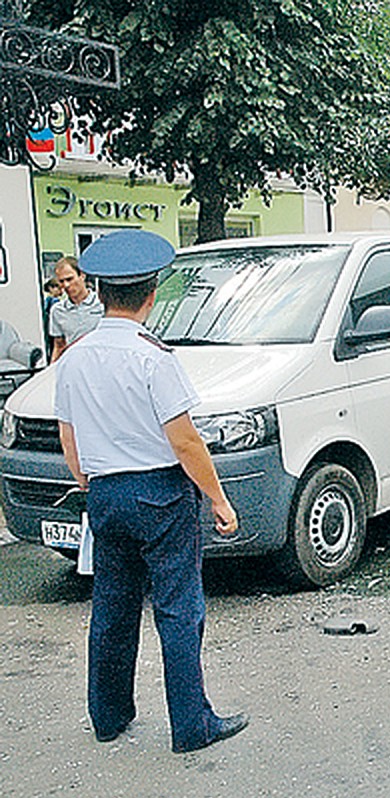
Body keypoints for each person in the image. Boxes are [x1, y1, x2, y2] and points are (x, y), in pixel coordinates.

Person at [54, 230, 248, 753]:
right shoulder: (153, 356)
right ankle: (192, 725)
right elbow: (184, 440)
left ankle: (108, 715)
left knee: (112, 609)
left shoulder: (74, 357)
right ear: (152, 293)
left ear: (97, 290)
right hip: (159, 494)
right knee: (178, 608)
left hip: (105, 495)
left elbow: (68, 436)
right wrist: (218, 498)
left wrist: (88, 484)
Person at [48, 256, 103, 362]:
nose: (66, 285)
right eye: (61, 281)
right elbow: (59, 346)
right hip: (75, 365)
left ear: (82, 275)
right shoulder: (58, 311)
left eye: (69, 279)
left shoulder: (103, 305)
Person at [41, 276, 63, 353]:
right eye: (59, 288)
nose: (61, 291)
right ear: (51, 288)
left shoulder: (47, 300)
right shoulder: (53, 301)